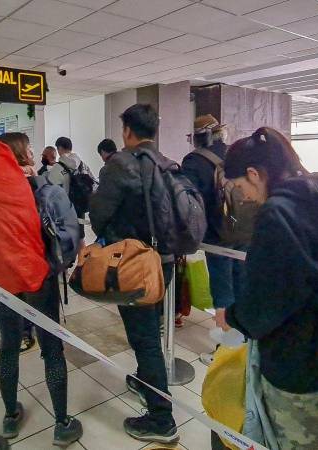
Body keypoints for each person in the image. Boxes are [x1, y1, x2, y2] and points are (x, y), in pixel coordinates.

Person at [222, 127, 318, 450]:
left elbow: (265, 305)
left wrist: (231, 316)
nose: (243, 195)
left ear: (254, 174)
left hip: (297, 362)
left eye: (240, 186)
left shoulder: (277, 214)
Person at [0, 133, 82, 447]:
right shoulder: (44, 190)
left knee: (9, 346)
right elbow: (70, 237)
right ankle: (62, 423)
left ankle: (10, 417)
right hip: (39, 279)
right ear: (24, 154)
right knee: (52, 349)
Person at [89, 104, 178, 444]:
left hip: (134, 265)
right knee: (149, 328)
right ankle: (144, 379)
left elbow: (99, 214)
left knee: (144, 339)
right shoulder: (167, 163)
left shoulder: (120, 164)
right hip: (166, 262)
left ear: (127, 131)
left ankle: (161, 418)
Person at [182, 114, 246, 364]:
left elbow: (187, 203)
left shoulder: (194, 161)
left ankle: (226, 353)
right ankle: (245, 345)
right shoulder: (236, 154)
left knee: (222, 293)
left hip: (217, 236)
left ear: (198, 138)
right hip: (244, 232)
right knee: (241, 287)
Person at [47, 136, 95, 247]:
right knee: (80, 236)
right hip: (80, 205)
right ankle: (82, 261)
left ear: (59, 148)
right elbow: (92, 181)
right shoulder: (82, 164)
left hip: (64, 208)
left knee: (64, 237)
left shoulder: (58, 167)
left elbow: (51, 189)